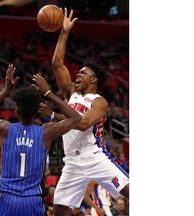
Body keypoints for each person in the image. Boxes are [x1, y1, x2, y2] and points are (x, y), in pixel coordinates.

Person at [50, 8, 129, 215]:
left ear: (94, 80)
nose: (78, 73)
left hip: (95, 157)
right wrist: (64, 32)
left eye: (83, 73)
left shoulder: (99, 101)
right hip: (72, 163)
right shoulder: (71, 93)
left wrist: (52, 101)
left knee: (131, 191)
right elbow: (57, 63)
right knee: (59, 212)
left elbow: (83, 124)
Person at [0, 64, 81, 216]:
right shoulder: (47, 132)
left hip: (6, 199)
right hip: (32, 201)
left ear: (16, 110)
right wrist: (48, 93)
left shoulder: (5, 128)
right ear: (38, 111)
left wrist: (6, 90)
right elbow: (76, 117)